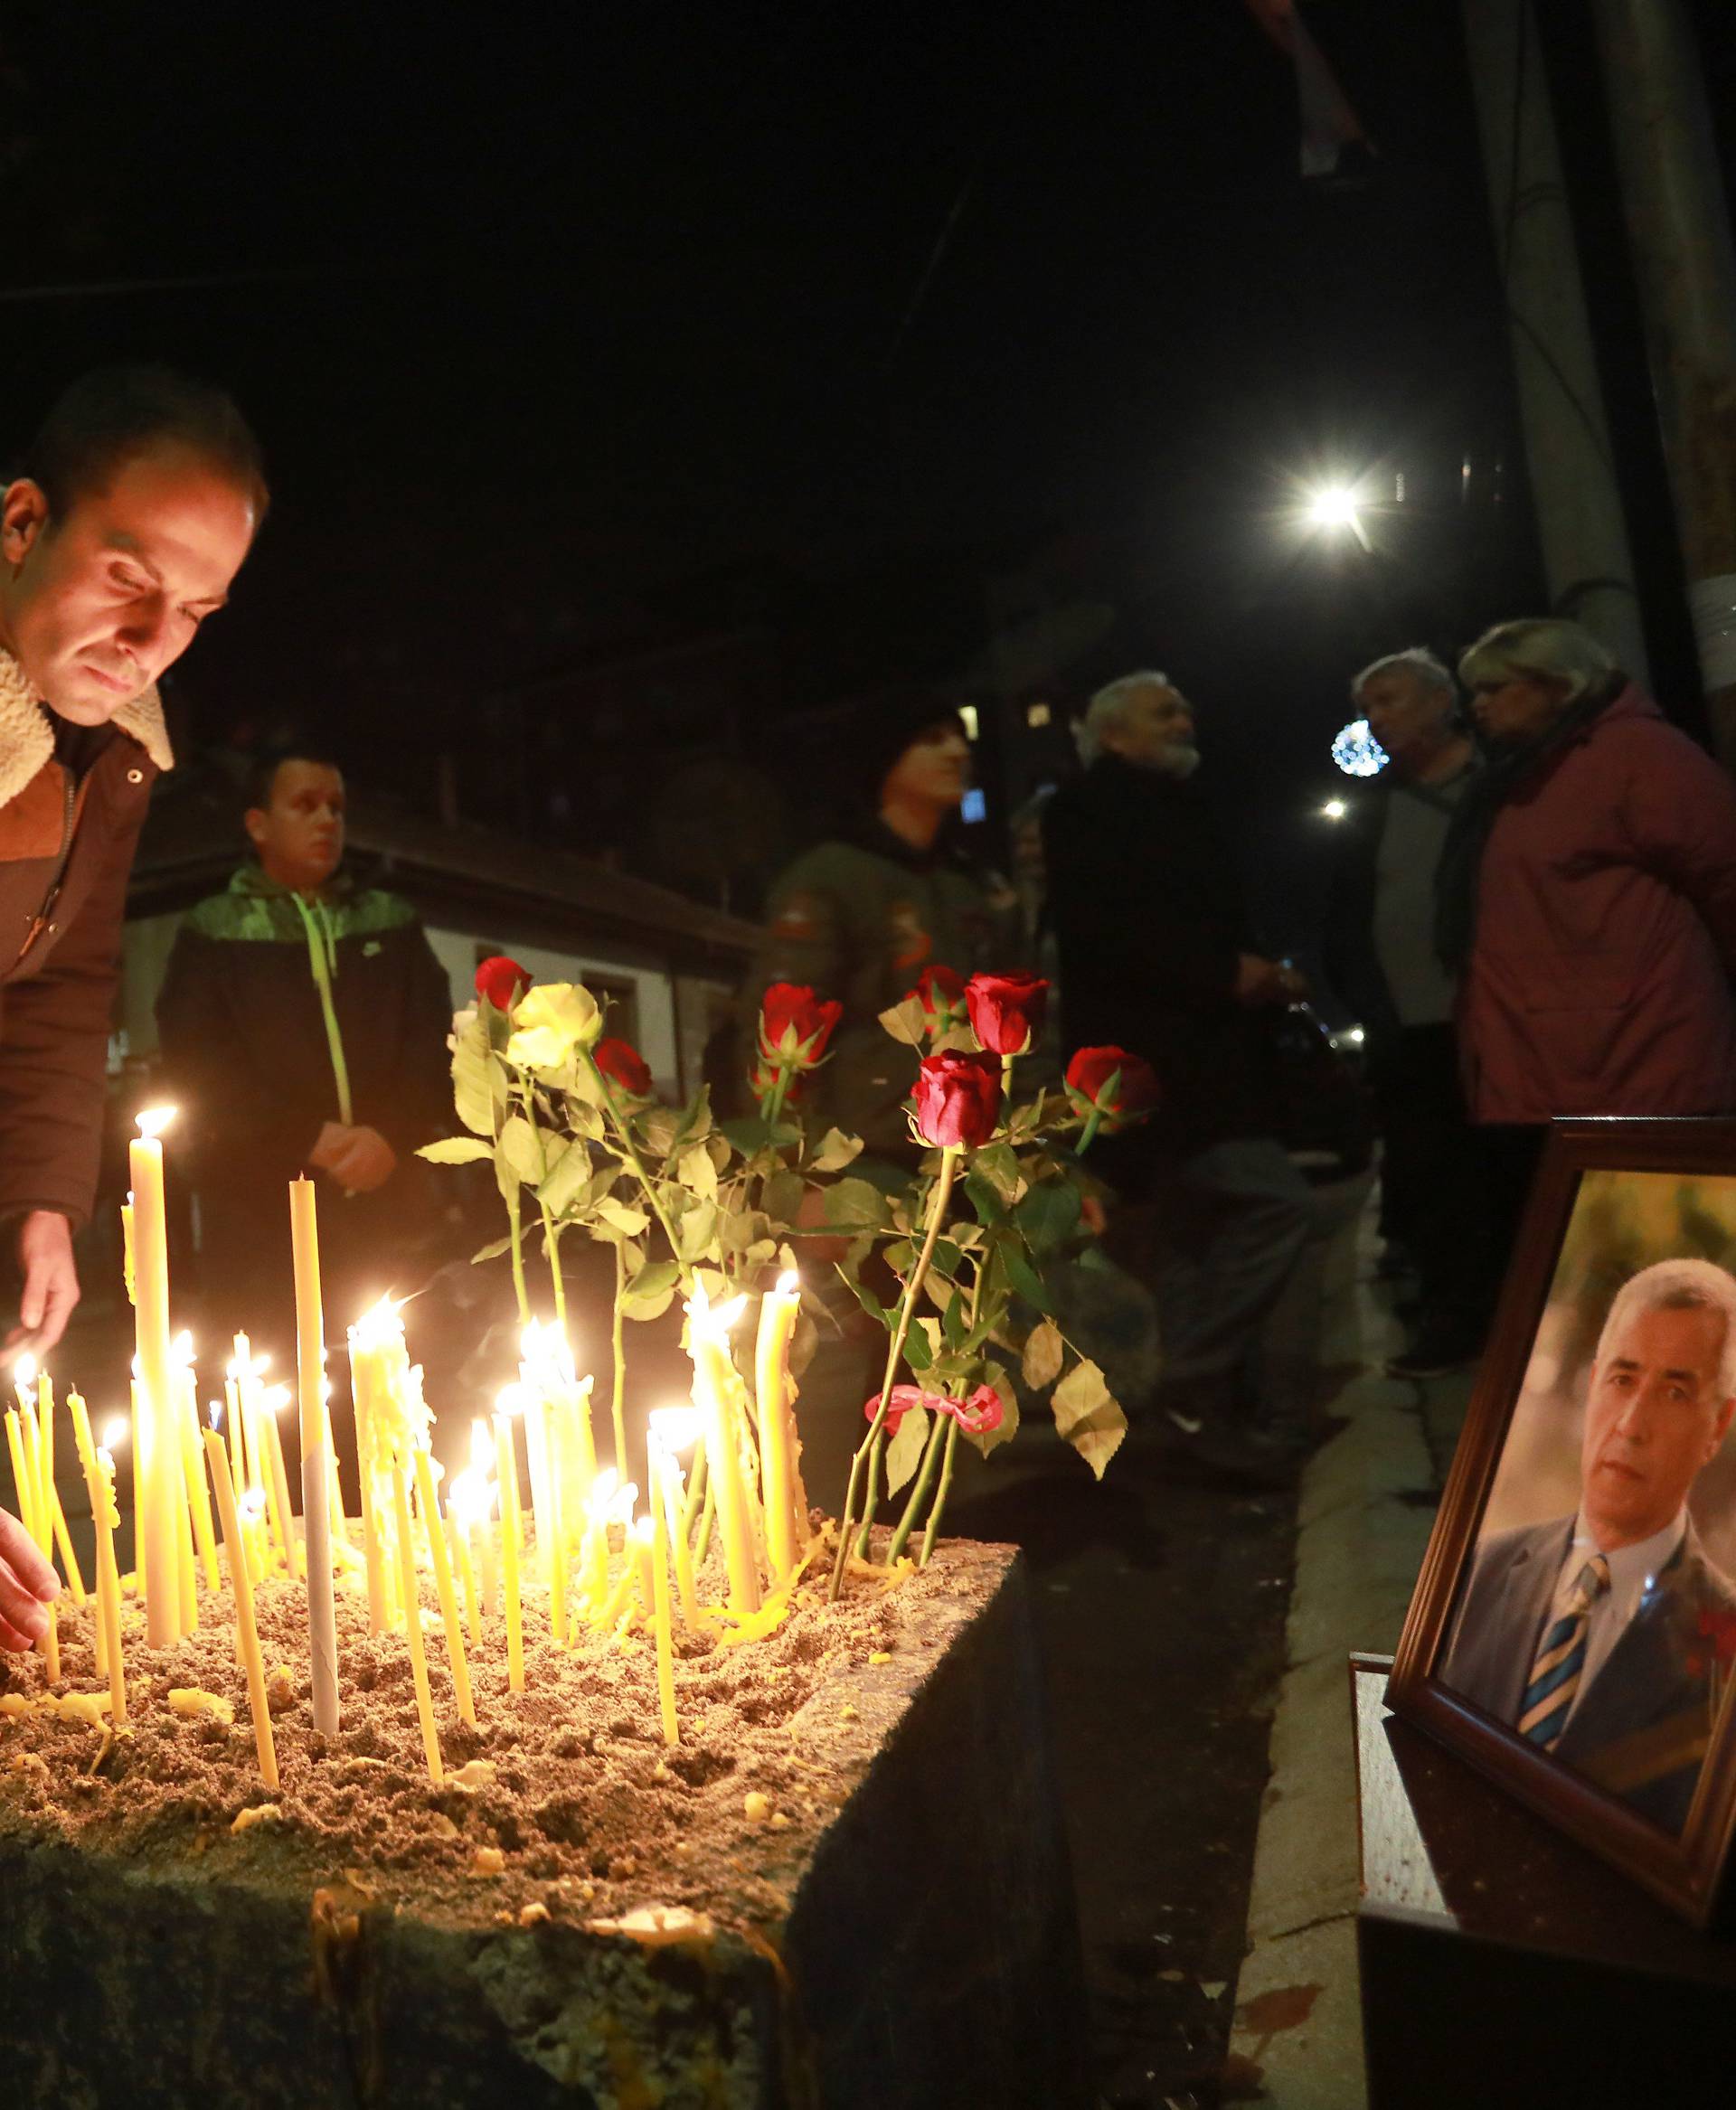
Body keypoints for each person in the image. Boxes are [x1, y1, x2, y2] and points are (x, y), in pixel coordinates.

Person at [0, 366, 263, 1371]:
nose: (155, 645)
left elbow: (58, 983)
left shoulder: (110, 753)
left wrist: (42, 1199)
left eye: (197, 608)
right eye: (127, 578)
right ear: (25, 522)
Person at [1043, 670, 1316, 1480]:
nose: (1185, 719)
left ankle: (1202, 1421)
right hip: (1160, 1068)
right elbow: (1113, 936)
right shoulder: (1088, 811)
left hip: (1211, 1061)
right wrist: (1225, 973)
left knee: (1196, 1240)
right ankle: (1192, 1379)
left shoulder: (1181, 805)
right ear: (1115, 734)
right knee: (1277, 1206)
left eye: (1184, 708)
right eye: (1165, 711)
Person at [1439, 618, 1736, 1260]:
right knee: (1595, 1264)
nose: (1477, 706)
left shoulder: (1640, 756)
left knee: (1661, 1256)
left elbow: (1726, 874)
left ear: (1558, 685)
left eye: (1495, 687)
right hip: (1563, 1055)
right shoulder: (1525, 777)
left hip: (1639, 1056)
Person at [155, 750, 459, 1360]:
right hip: (259, 1225)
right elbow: (199, 1063)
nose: (327, 820)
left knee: (396, 1401)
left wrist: (390, 1134)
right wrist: (302, 1136)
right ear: (258, 824)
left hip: (387, 1212)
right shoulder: (215, 930)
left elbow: (432, 1043)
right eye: (305, 805)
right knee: (281, 1406)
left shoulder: (388, 923)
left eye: (337, 808)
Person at [1443, 1259, 1736, 1834]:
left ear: (1718, 1428)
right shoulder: (1477, 1569)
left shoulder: (1725, 1641)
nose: (1630, 1425)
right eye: (1623, 1380)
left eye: (1675, 1393)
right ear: (1595, 1379)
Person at [744, 686, 1020, 1157]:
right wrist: (798, 1170)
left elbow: (1018, 1032)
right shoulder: (831, 877)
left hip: (976, 1152)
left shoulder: (970, 885)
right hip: (867, 1154)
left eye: (960, 737)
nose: (958, 751)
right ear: (884, 758)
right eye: (932, 738)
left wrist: (1040, 1155)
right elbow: (779, 1029)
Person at [1325, 648, 1489, 1377]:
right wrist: (1373, 1009)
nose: (1376, 719)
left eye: (1389, 701)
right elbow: (1346, 923)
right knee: (1434, 1178)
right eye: (1368, 707)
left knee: (1508, 1169)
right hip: (1413, 1031)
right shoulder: (1372, 808)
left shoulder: (1502, 786)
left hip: (1507, 1022)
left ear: (1441, 701)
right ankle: (1451, 1321)